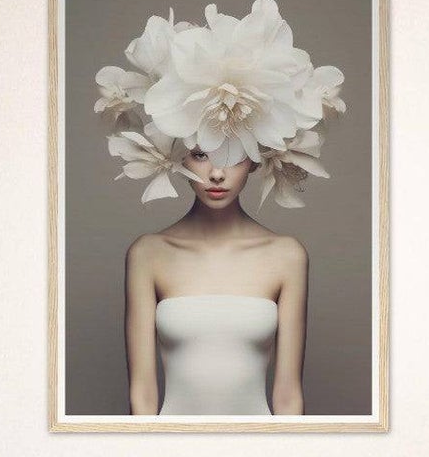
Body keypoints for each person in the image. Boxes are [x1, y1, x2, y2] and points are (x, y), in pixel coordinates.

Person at [124, 151, 307, 418]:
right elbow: (142, 395)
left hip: (259, 450)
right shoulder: (148, 254)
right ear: (179, 158)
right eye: (200, 155)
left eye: (234, 155)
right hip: (171, 450)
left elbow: (289, 397)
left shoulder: (287, 256)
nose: (217, 173)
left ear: (256, 159)